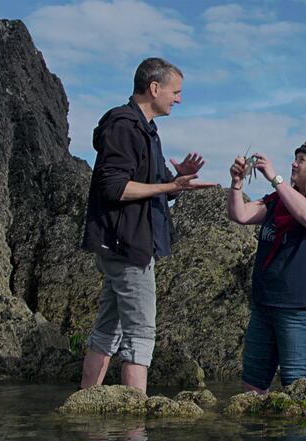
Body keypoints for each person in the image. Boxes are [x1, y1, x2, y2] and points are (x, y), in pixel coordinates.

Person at [79, 57, 217, 393]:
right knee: (140, 335)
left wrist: (176, 179)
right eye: (175, 91)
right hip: (128, 246)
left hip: (124, 245)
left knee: (108, 328)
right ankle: (134, 417)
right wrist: (170, 185)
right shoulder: (125, 126)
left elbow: (152, 186)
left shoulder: (146, 130)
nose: (179, 99)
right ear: (154, 88)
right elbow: (114, 188)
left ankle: (85, 402)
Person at [228, 139, 306, 392]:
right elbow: (240, 214)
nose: (294, 164)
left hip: (302, 310)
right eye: (295, 158)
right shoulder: (276, 202)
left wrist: (275, 178)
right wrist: (236, 184)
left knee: (295, 387)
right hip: (265, 304)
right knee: (252, 386)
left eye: (301, 160)